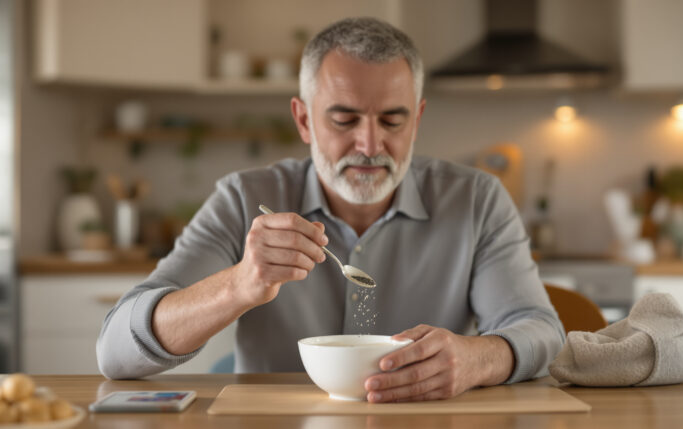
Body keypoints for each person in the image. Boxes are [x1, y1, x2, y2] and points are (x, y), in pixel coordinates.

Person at [96, 17, 564, 403]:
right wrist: (239, 284)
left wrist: (475, 359)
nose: (369, 144)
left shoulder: (477, 199)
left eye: (392, 120)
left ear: (417, 119)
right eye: (344, 119)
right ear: (303, 119)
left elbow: (542, 331)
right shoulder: (242, 198)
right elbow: (116, 353)